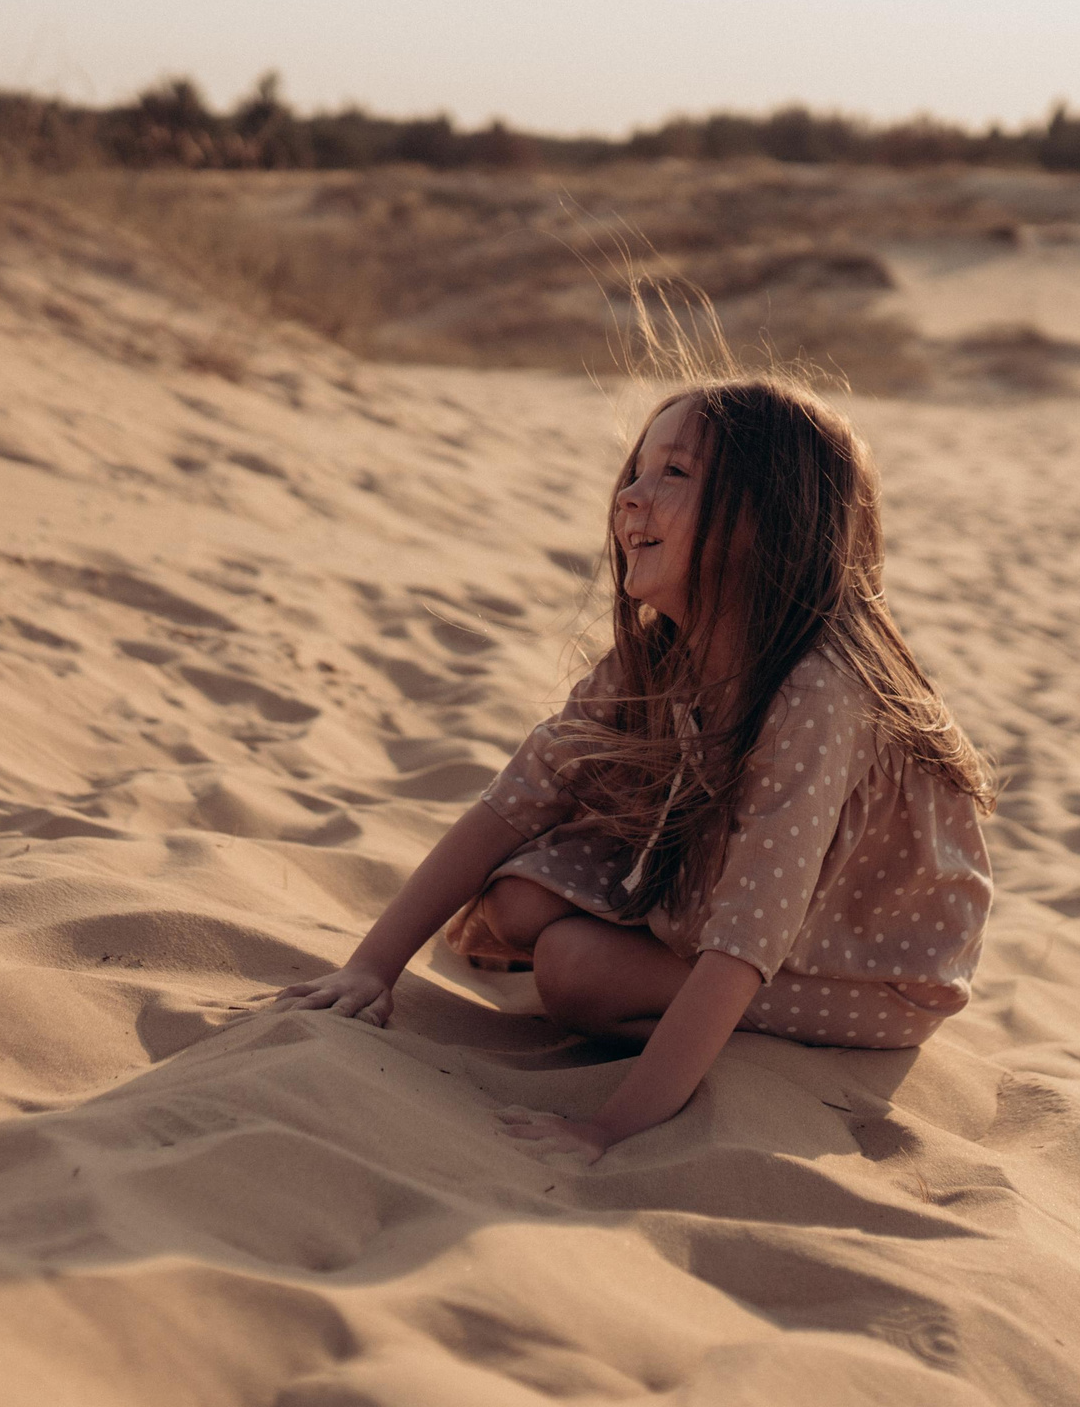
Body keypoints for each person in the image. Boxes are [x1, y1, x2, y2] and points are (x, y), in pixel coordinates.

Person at [271, 376, 997, 1162]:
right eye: (636, 472)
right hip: (732, 897)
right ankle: (645, 967)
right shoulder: (662, 652)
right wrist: (371, 968)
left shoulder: (819, 692)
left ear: (766, 516)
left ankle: (677, 1022)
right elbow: (515, 802)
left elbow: (748, 938)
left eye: (673, 475)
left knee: (575, 970)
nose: (629, 498)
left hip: (870, 969)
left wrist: (607, 1126)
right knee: (511, 900)